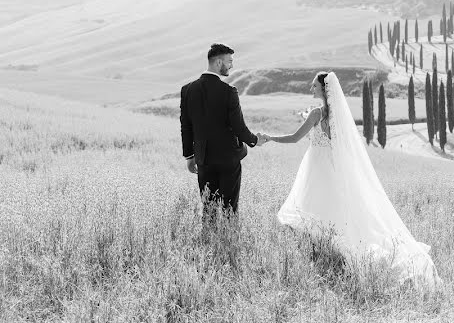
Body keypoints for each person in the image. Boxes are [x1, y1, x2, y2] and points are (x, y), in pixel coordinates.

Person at [261, 71, 440, 290]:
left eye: (314, 86)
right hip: (332, 171)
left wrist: (269, 137)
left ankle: (322, 259)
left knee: (312, 211)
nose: (311, 89)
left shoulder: (316, 114)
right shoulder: (339, 117)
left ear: (324, 89)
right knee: (332, 213)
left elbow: (294, 138)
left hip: (316, 171)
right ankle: (328, 257)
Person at [179, 43, 266, 219]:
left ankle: (209, 242)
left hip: (203, 159)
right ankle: (230, 242)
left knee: (208, 208)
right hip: (229, 159)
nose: (231, 65)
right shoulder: (229, 92)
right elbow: (239, 128)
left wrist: (189, 157)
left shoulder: (187, 90)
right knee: (230, 209)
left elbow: (186, 127)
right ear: (218, 62)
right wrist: (255, 140)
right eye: (229, 61)